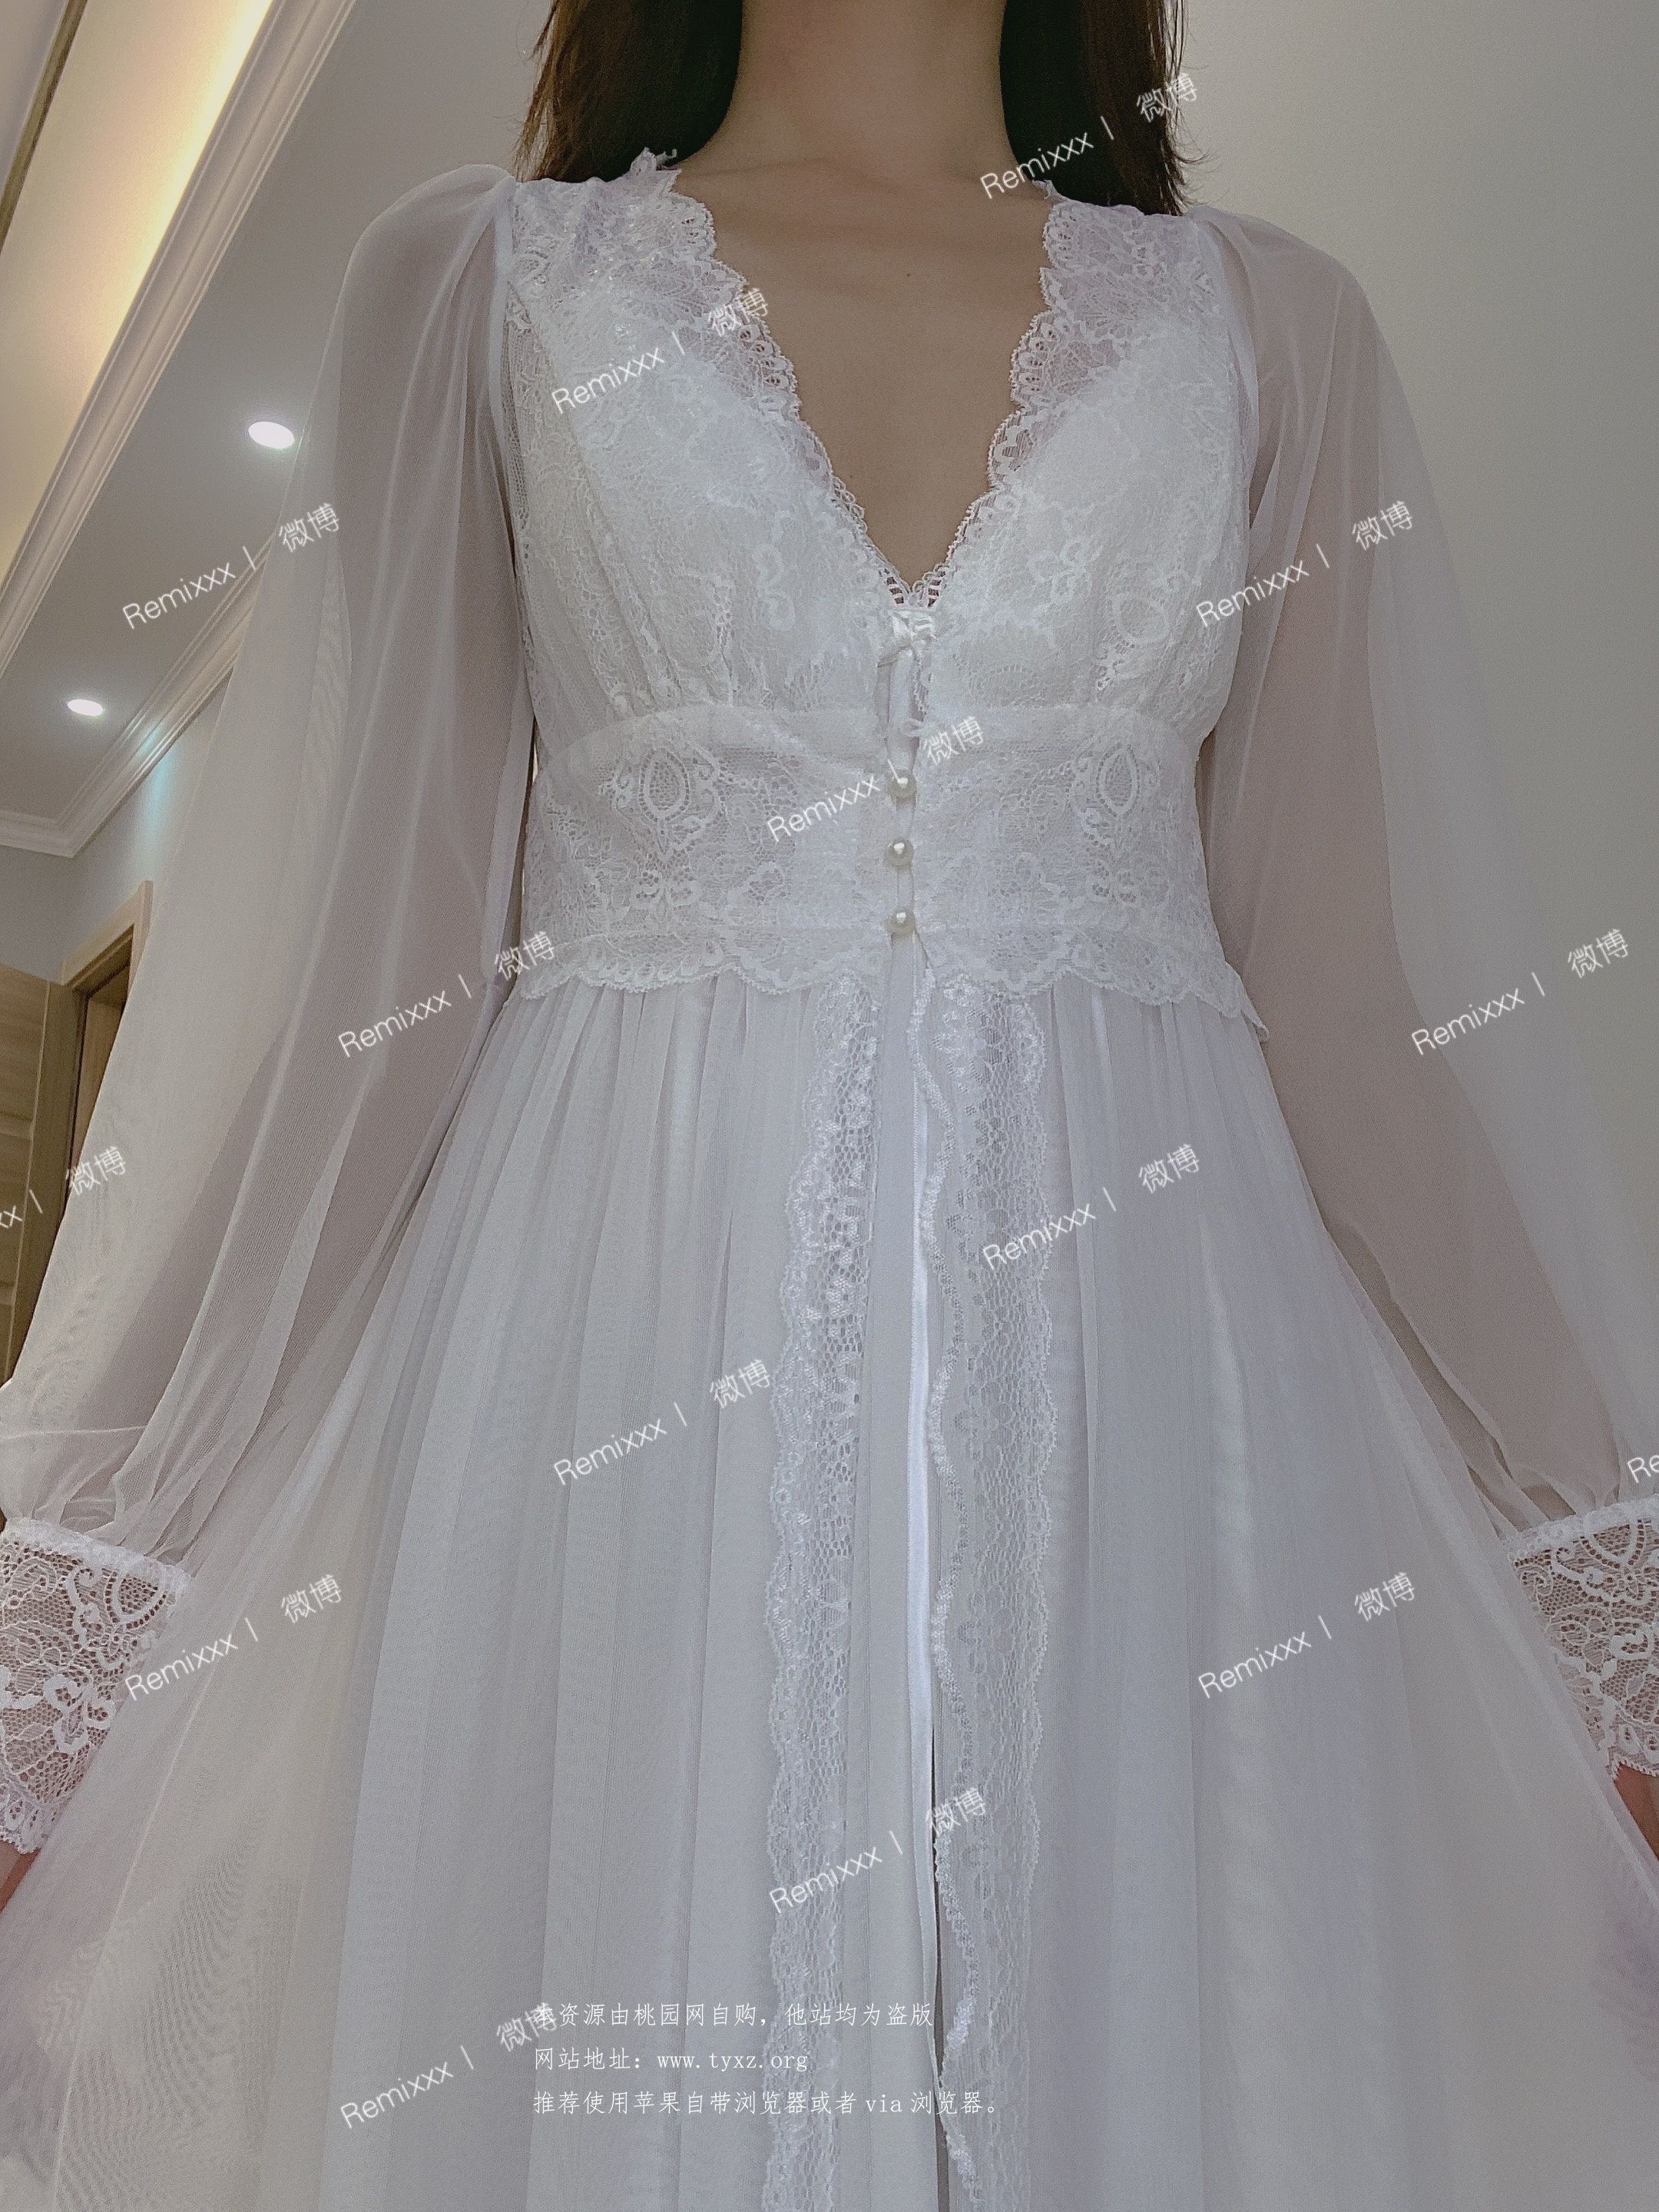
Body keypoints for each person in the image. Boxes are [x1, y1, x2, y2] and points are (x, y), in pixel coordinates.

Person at [3, 0, 1658, 2204]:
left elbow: (1352, 1009)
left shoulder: (1269, 327)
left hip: (1160, 1401)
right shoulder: (485, 284)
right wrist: (72, 1594)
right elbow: (368, 1000)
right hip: (614, 1382)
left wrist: (1608, 1582)